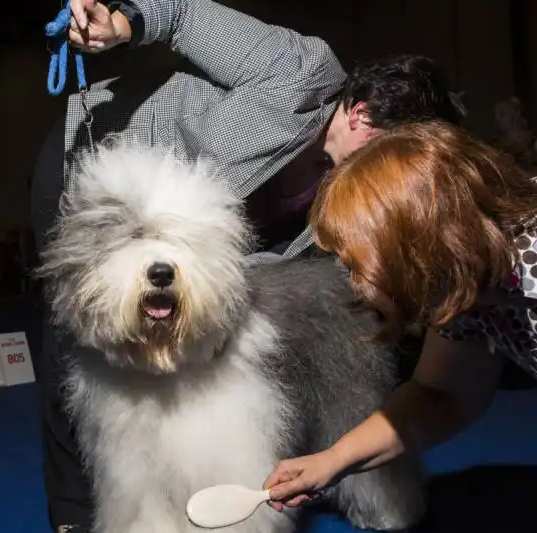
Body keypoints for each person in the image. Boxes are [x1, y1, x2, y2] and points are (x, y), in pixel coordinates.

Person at [31, 1, 468, 532]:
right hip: (102, 169)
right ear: (362, 116)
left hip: (181, 260)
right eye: (398, 151)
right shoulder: (298, 71)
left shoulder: (341, 195)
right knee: (74, 345)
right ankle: (80, 513)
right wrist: (124, 22)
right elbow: (185, 15)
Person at [263, 120, 537, 512]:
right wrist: (331, 462)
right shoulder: (464, 286)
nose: (356, 284)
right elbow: (439, 396)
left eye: (359, 267)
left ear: (417, 245)